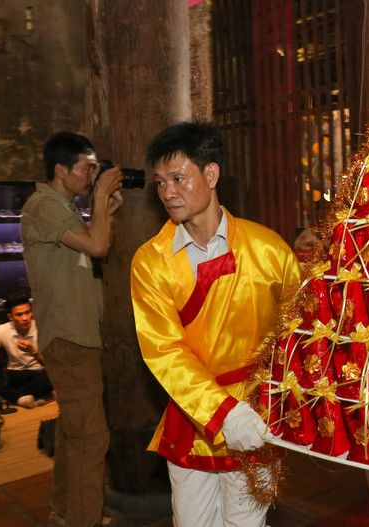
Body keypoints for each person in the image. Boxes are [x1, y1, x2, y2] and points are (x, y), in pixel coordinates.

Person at [130, 121, 302, 527]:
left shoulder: (267, 248)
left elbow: (300, 329)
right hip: (194, 414)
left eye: (177, 177)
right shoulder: (151, 261)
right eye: (159, 182)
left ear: (211, 174)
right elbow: (164, 350)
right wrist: (225, 413)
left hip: (257, 415)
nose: (168, 191)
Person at [21, 131, 123, 527]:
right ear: (61, 170)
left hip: (75, 335)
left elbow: (89, 245)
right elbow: (98, 247)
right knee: (91, 439)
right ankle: (83, 520)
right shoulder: (44, 204)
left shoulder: (58, 206)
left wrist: (105, 210)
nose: (94, 174)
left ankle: (64, 513)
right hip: (69, 338)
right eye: (88, 167)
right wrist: (99, 202)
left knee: (72, 433)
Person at [0, 295, 53, 408]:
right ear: (10, 317)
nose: (25, 318)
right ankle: (22, 397)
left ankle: (12, 396)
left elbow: (51, 364)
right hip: (14, 374)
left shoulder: (42, 328)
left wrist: (33, 352)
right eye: (19, 314)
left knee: (54, 375)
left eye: (28, 312)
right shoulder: (2, 330)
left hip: (37, 373)